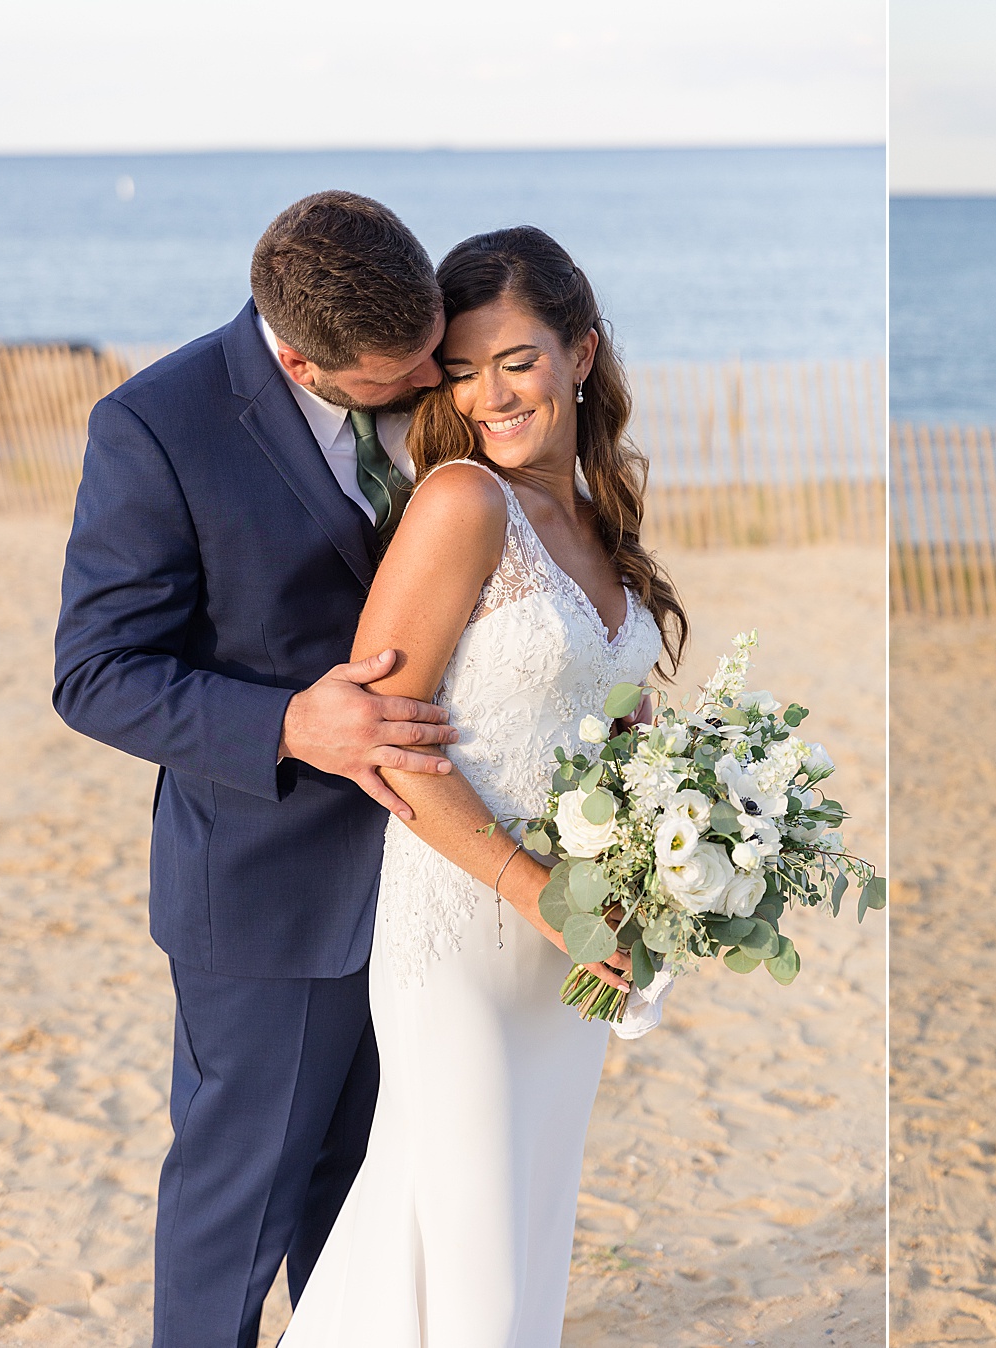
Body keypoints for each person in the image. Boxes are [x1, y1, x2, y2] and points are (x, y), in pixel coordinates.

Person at [54, 191, 465, 1348]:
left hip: (432, 885)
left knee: (367, 1196)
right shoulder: (156, 428)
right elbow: (94, 673)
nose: (437, 377)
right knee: (238, 1210)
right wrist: (290, 725)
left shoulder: (430, 371)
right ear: (301, 355)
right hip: (269, 895)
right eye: (405, 367)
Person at [276, 225, 688, 1344]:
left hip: (573, 956)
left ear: (583, 352)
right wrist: (538, 889)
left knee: (499, 1249)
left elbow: (617, 726)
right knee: (480, 1289)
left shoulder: (599, 521)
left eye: (518, 359)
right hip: (462, 938)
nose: (491, 394)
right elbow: (386, 746)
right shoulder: (462, 504)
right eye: (461, 369)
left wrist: (672, 866)